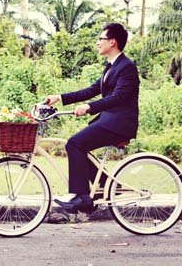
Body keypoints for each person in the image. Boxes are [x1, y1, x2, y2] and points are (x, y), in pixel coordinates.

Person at [45, 23, 139, 214]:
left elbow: (119, 97)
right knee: (80, 146)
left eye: (101, 39)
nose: (98, 43)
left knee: (74, 144)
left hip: (120, 123)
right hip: (109, 120)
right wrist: (60, 98)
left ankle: (81, 198)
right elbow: (91, 90)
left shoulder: (127, 67)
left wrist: (89, 107)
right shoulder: (111, 67)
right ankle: (107, 185)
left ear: (112, 42)